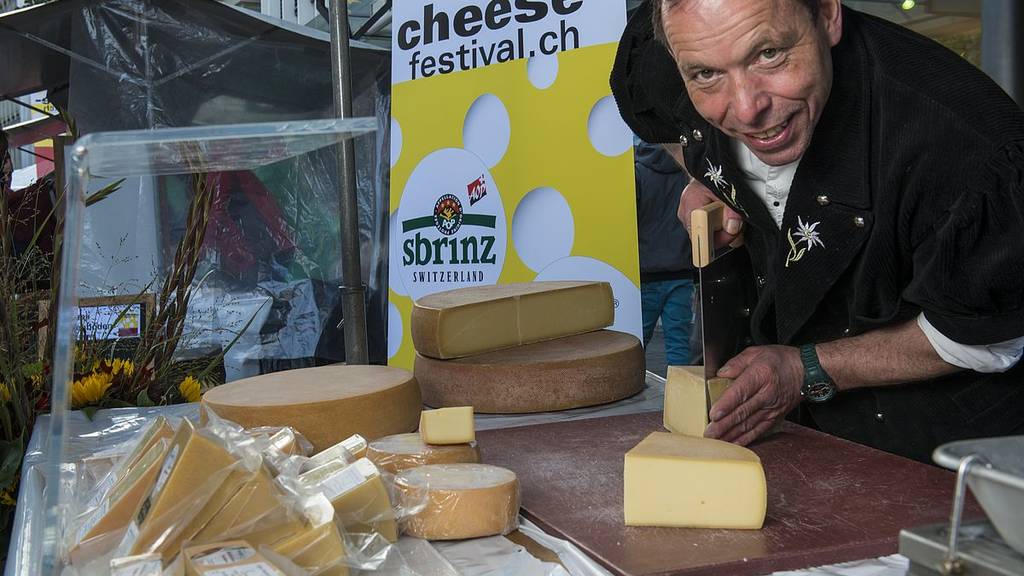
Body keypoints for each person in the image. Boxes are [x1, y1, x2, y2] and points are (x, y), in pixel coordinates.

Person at [610, 0, 1024, 463]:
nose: (747, 110)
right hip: (792, 437)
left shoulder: (966, 147)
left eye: (769, 54)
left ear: (827, 15)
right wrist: (701, 174)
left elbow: (980, 337)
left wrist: (805, 368)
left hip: (937, 450)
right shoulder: (667, 48)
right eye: (706, 75)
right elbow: (655, 114)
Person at [634, 137, 696, 367]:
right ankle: (678, 400)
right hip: (681, 272)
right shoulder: (687, 174)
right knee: (678, 345)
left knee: (636, 343)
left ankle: (633, 396)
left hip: (646, 273)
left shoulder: (636, 173)